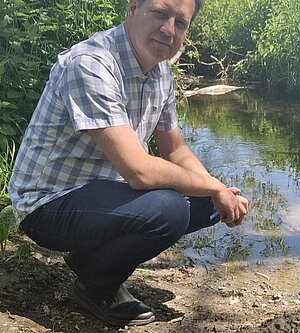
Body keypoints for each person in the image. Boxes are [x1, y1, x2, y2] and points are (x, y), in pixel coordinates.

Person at [8, 0, 249, 327]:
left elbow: (175, 149)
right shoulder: (92, 64)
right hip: (48, 202)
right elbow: (139, 171)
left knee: (209, 204)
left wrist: (220, 193)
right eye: (161, 14)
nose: (169, 30)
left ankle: (89, 257)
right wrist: (214, 187)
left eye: (181, 23)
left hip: (101, 193)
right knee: (171, 209)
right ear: (133, 8)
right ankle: (95, 286)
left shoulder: (161, 71)